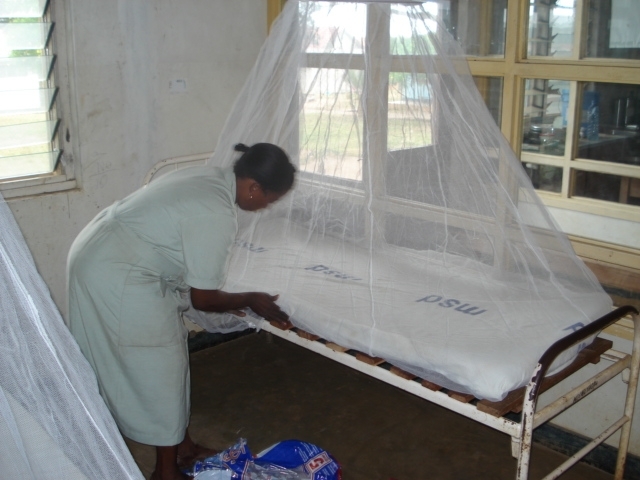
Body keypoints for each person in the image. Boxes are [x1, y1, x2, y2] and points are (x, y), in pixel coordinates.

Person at [67, 143, 296, 480]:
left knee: (169, 363)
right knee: (163, 369)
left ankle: (183, 448)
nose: (266, 207)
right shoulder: (216, 212)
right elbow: (203, 299)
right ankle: (165, 471)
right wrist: (250, 298)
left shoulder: (207, 177)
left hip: (99, 251)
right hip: (118, 272)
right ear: (253, 188)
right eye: (269, 199)